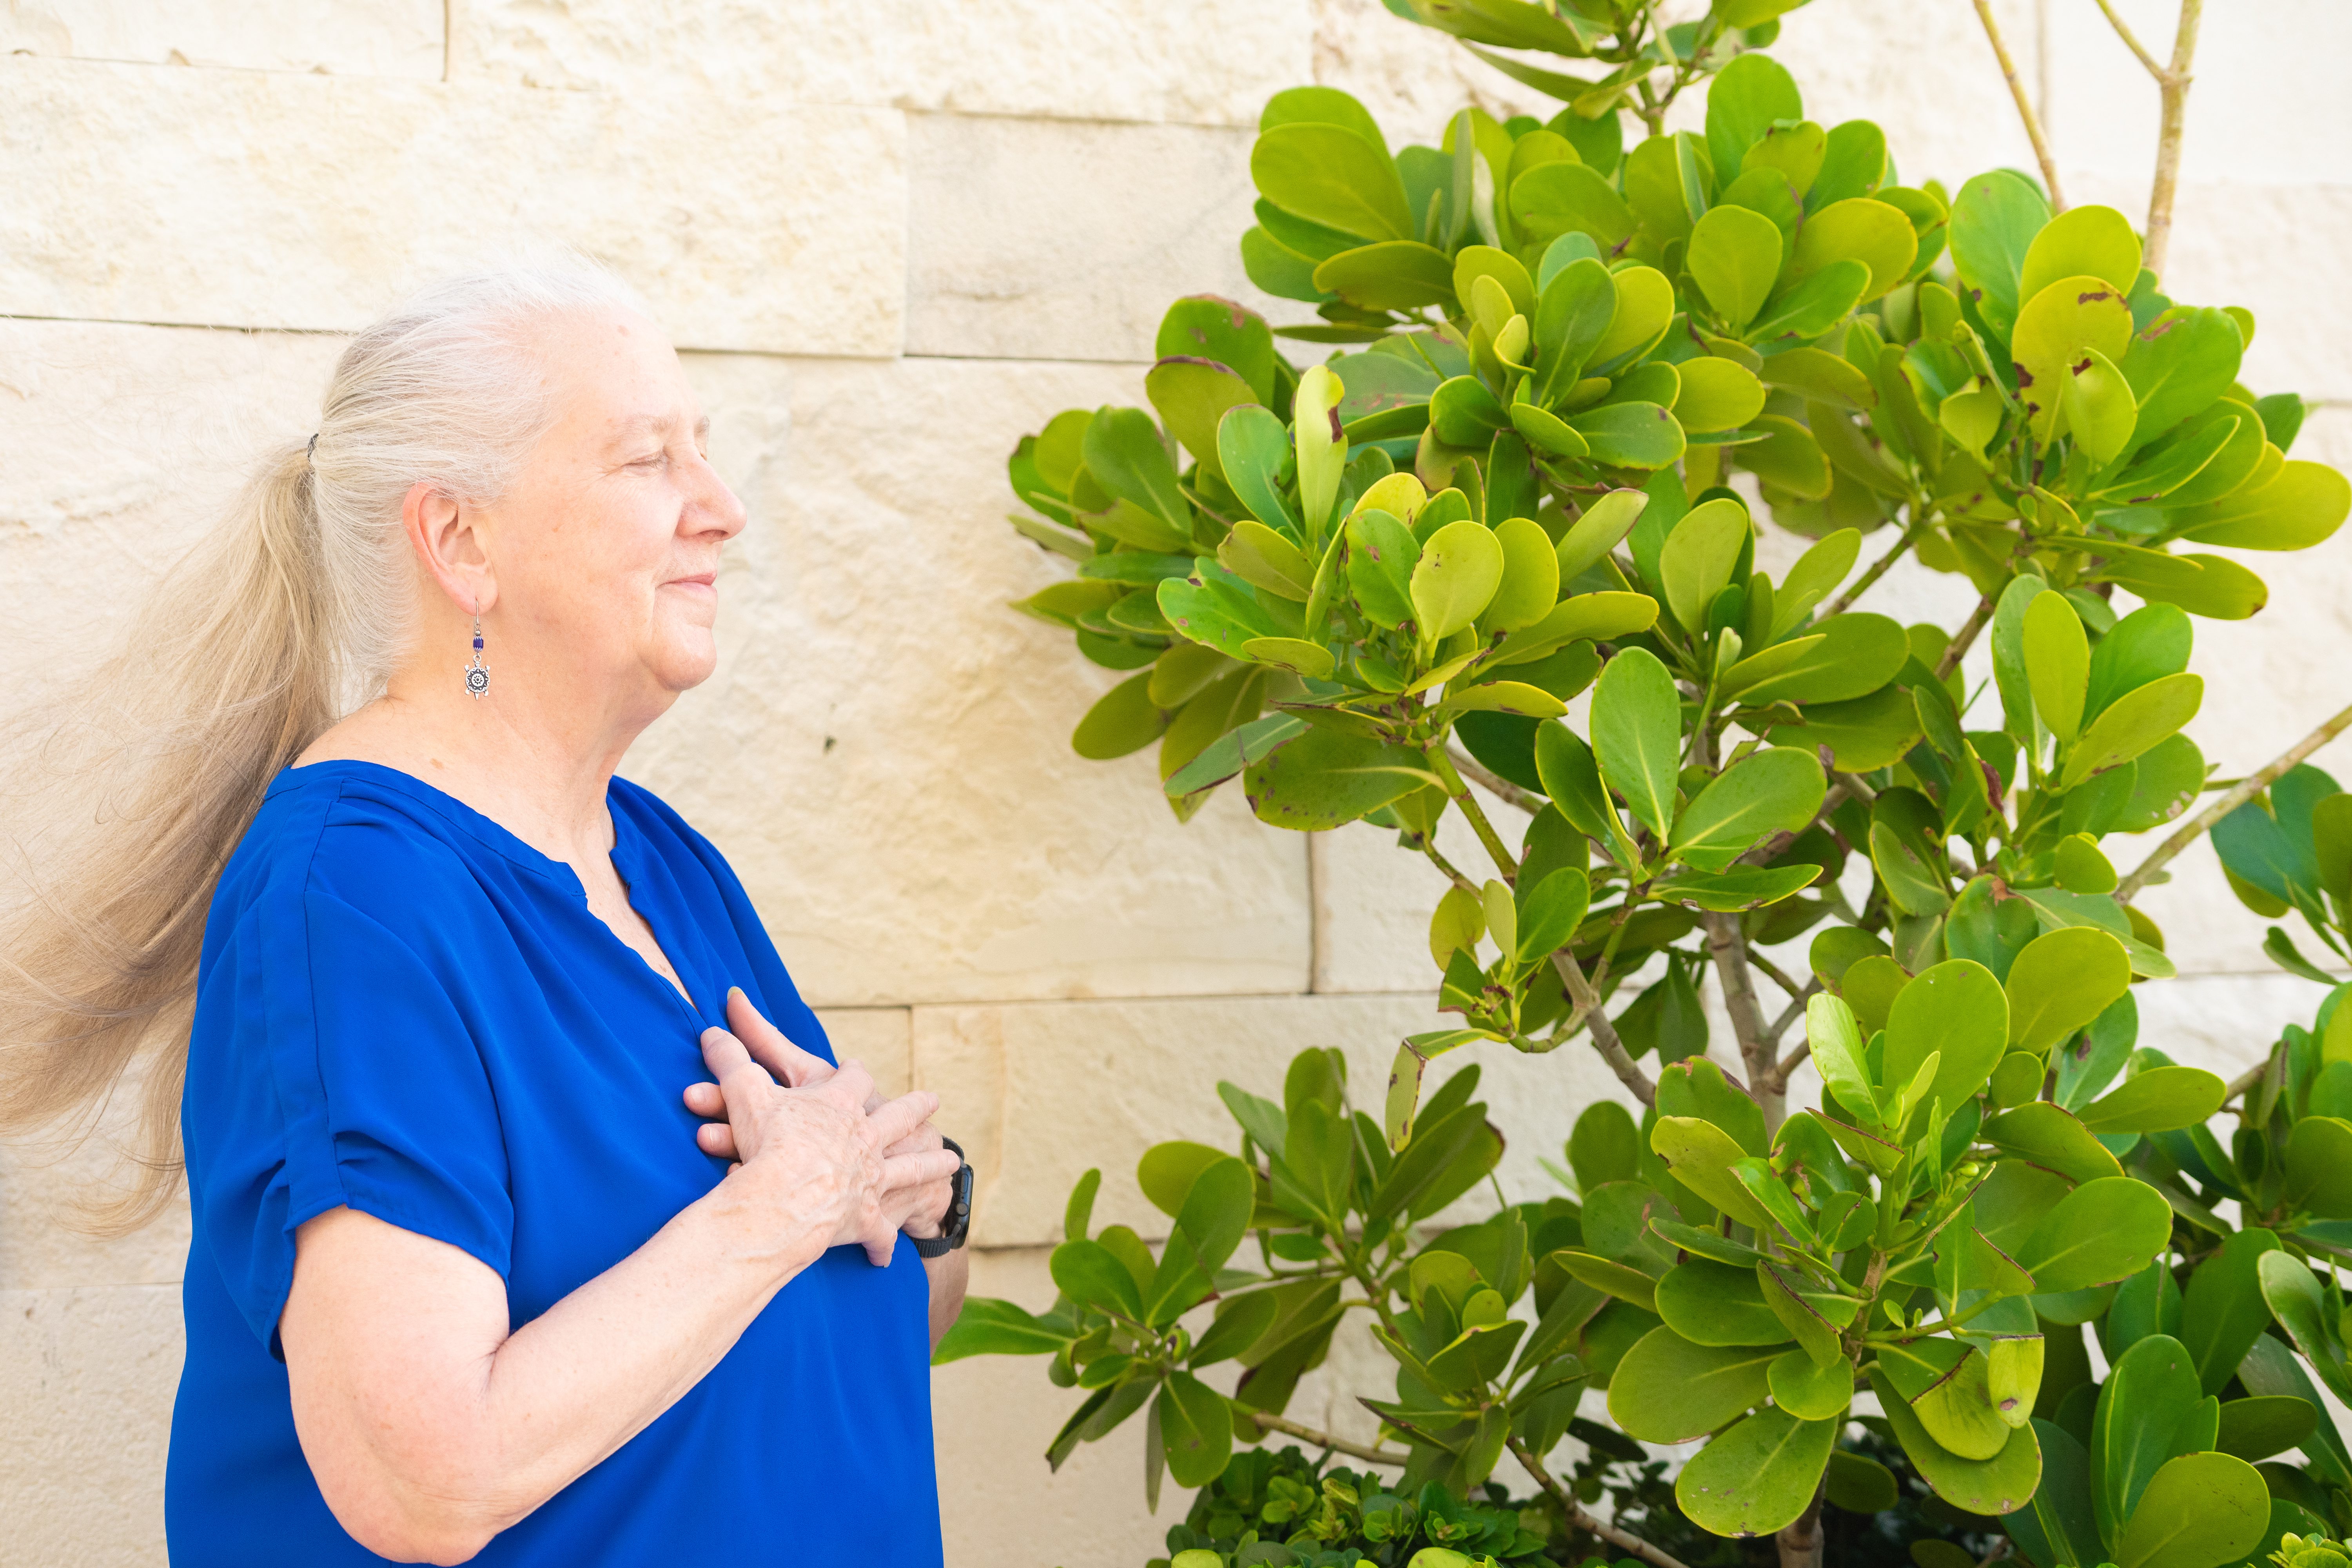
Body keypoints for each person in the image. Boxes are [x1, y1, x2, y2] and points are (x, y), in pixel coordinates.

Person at [0, 261, 971, 1564]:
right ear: (460, 540)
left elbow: (849, 1310)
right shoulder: (355, 899)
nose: (723, 510)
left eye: (706, 453)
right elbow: (426, 1482)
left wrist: (918, 1205)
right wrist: (783, 1202)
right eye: (647, 461)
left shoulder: (667, 867)